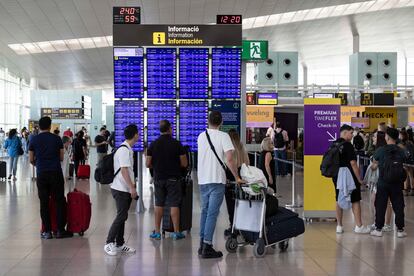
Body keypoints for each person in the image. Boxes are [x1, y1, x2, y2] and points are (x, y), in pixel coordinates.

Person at [197, 111, 243, 259]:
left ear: (208, 121)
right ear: (221, 122)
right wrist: (237, 177)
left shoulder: (201, 136)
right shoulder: (224, 137)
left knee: (205, 211)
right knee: (212, 213)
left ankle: (201, 244)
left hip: (203, 179)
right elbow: (229, 159)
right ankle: (207, 246)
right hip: (217, 179)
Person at [29, 117, 73, 239]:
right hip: (55, 172)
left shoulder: (34, 139)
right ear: (49, 126)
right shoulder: (57, 138)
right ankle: (59, 230)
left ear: (39, 126)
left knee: (44, 202)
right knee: (59, 201)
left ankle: (47, 232)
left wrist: (38, 164)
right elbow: (61, 158)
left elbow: (31, 159)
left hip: (42, 173)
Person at [146, 120, 188, 241]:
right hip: (174, 179)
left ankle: (157, 232)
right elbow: (184, 163)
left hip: (159, 178)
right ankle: (176, 232)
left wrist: (158, 165)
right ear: (170, 129)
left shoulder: (153, 144)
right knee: (174, 204)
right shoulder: (177, 144)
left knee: (159, 204)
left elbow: (148, 163)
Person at [104, 124, 139, 256]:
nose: (139, 135)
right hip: (120, 188)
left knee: (123, 216)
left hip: (123, 188)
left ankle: (119, 243)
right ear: (135, 135)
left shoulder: (127, 148)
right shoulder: (124, 150)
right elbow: (124, 170)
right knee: (121, 216)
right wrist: (132, 188)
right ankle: (109, 242)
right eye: (138, 133)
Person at [370, 128, 408, 238]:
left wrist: (373, 167)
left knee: (381, 205)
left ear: (387, 137)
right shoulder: (401, 150)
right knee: (398, 205)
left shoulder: (381, 150)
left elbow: (374, 165)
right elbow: (405, 161)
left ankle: (378, 229)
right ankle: (400, 230)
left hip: (383, 182)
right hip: (397, 182)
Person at [333, 124, 370, 234]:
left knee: (338, 198)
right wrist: (359, 179)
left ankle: (339, 226)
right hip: (348, 175)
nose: (352, 135)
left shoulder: (334, 144)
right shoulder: (347, 145)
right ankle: (359, 226)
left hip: (336, 175)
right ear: (344, 132)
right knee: (355, 199)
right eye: (350, 133)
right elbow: (353, 163)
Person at [224, 129, 250, 236]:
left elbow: (227, 162)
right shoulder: (242, 147)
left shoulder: (229, 149)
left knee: (231, 204)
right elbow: (247, 163)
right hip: (242, 176)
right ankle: (241, 227)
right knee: (241, 203)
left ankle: (233, 227)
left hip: (230, 177)